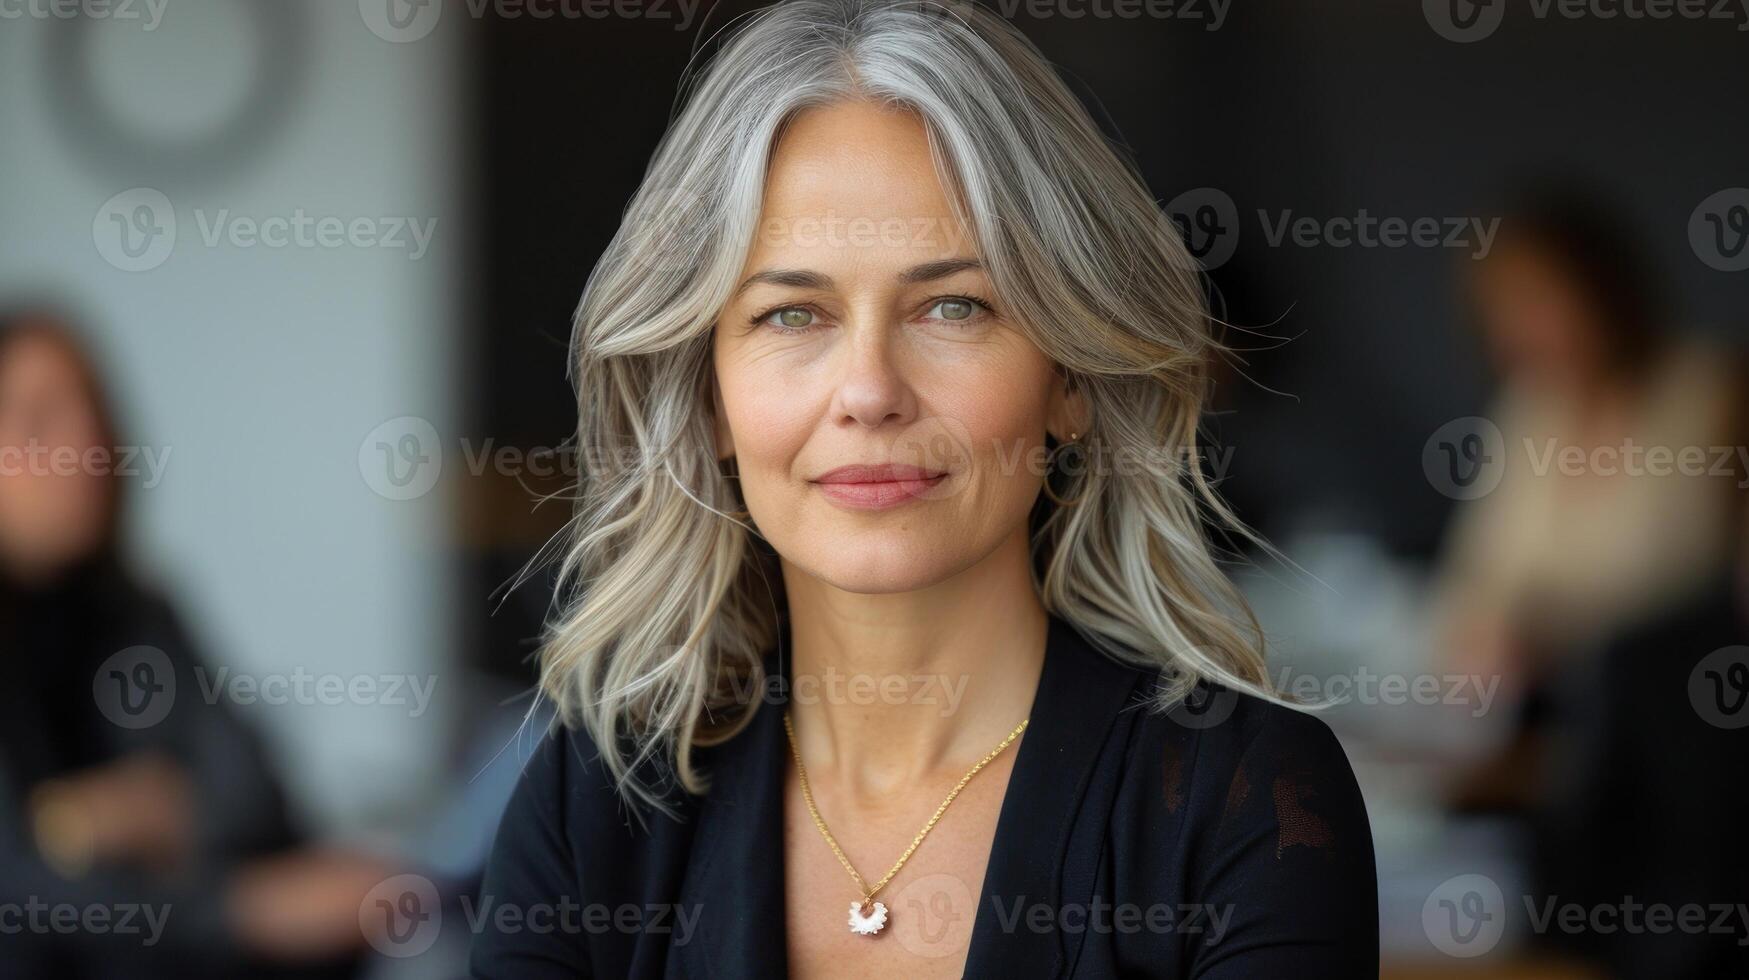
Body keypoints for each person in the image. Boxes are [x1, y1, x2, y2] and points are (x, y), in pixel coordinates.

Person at [472, 2, 1378, 977]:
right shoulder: (591, 810)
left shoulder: (1249, 801)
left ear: (1069, 379)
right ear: (707, 399)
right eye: (792, 314)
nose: (869, 391)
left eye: (954, 305)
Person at [0, 309, 367, 979]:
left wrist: (120, 814)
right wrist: (237, 911)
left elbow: (259, 796)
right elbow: (18, 894)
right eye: (38, 422)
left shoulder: (138, 610)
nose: (83, 447)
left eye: (93, 414)